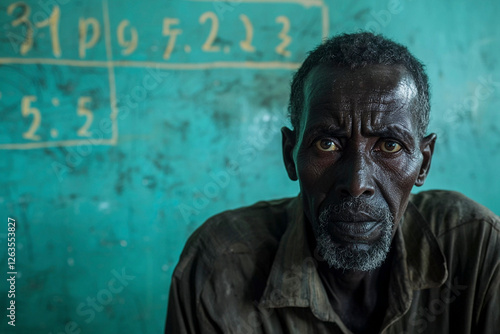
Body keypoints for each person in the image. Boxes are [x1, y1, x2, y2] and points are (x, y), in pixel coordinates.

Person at [165, 32, 500, 334]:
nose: (357, 184)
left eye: (389, 145)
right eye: (327, 144)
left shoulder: (478, 248)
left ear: (423, 162)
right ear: (289, 154)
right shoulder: (220, 266)